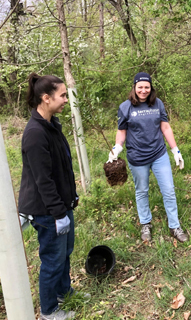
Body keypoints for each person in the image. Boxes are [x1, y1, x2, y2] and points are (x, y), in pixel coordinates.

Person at [18, 73, 87, 320]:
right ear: (46, 98)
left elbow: (61, 168)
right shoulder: (35, 133)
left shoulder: (51, 125)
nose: (66, 100)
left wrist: (71, 198)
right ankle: (49, 311)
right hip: (47, 211)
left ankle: (63, 293)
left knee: (64, 253)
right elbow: (43, 180)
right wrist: (58, 213)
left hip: (60, 205)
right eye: (63, 95)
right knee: (52, 260)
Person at [107, 72, 188, 243]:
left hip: (159, 154)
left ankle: (174, 226)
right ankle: (145, 223)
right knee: (142, 191)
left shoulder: (157, 104)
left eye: (147, 87)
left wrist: (175, 150)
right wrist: (117, 148)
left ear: (151, 88)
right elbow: (122, 131)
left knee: (169, 191)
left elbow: (165, 127)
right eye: (140, 87)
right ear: (134, 88)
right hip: (137, 158)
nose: (143, 91)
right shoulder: (125, 107)